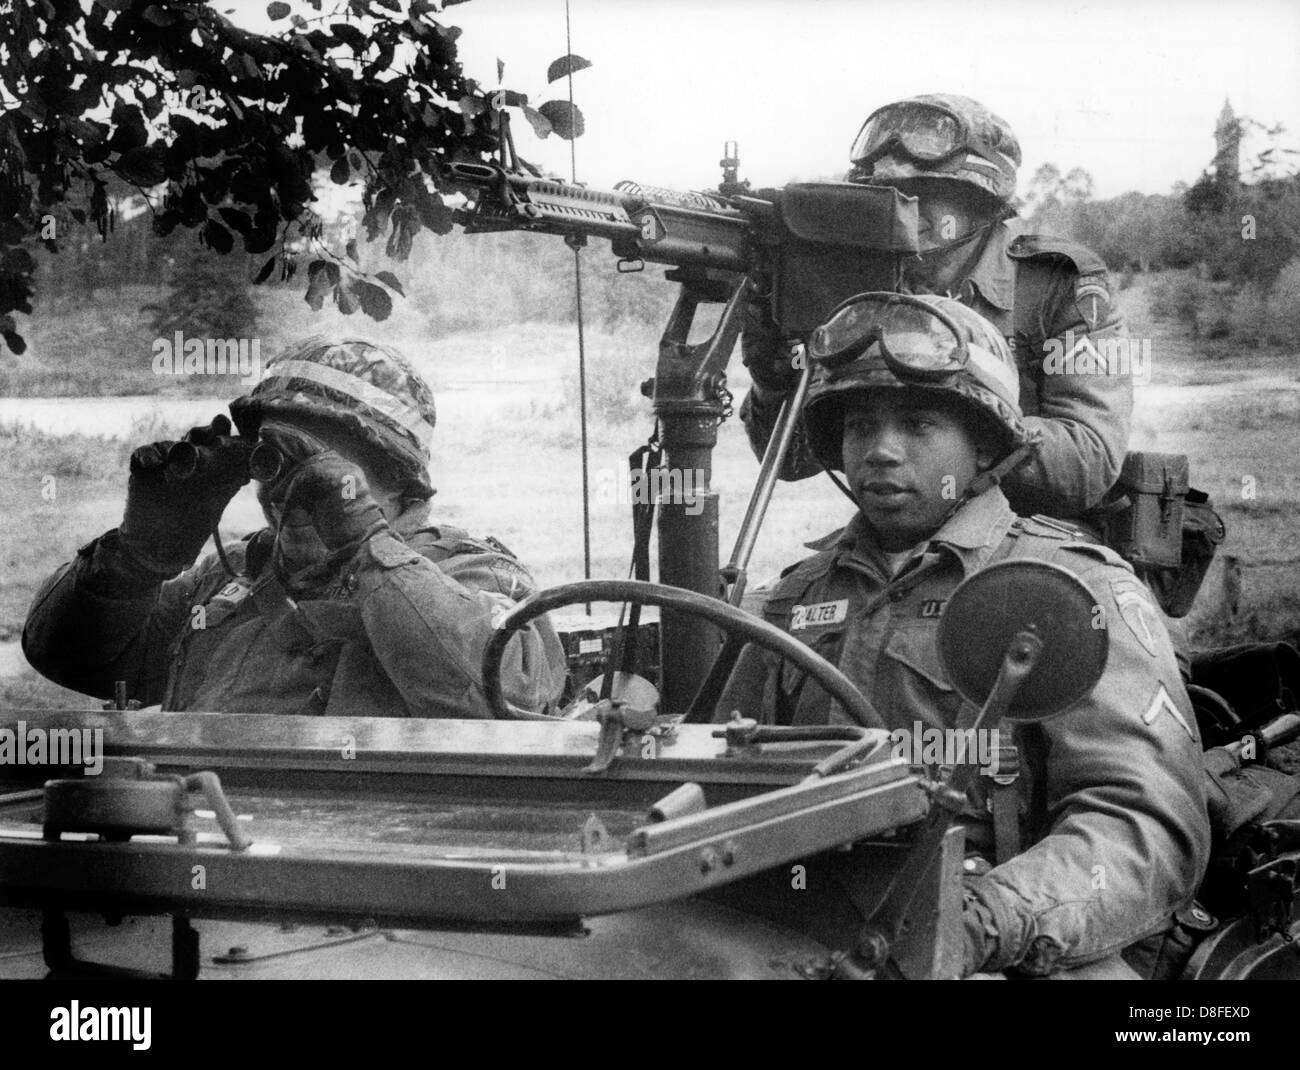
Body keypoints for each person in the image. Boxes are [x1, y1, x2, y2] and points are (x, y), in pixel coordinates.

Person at [720, 293, 1209, 978]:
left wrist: (982, 921)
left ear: (984, 444)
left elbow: (1143, 827)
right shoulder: (799, 594)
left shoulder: (1065, 590)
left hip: (1014, 943)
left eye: (918, 424)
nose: (882, 452)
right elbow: (716, 777)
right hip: (804, 931)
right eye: (861, 425)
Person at [23, 337, 567, 718]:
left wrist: (366, 545)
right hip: (217, 842)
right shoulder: (233, 578)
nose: (292, 491)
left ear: (399, 481)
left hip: (356, 860)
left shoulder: (472, 572)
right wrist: (138, 556)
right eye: (274, 462)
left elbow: (504, 698)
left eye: (326, 467)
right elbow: (71, 657)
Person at [739, 93, 1131, 521]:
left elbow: (1088, 461)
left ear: (981, 204)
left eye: (923, 195)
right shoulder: (861, 290)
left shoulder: (1060, 286)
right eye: (885, 196)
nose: (902, 212)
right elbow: (793, 462)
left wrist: (962, 423)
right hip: (904, 540)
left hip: (1035, 537)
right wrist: (775, 376)